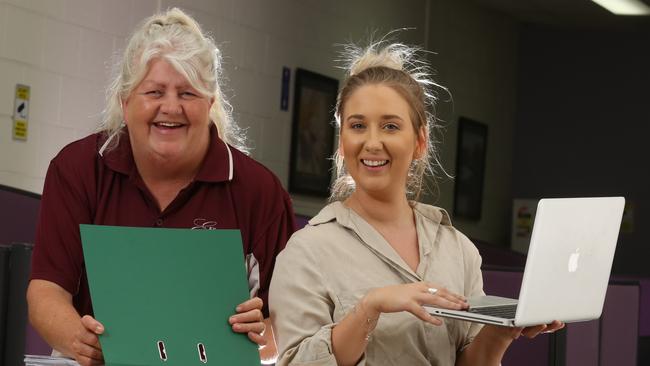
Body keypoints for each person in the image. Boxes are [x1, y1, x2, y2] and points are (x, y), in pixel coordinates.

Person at [27, 8, 295, 365]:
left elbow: (289, 322)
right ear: (125, 102)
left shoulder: (259, 191)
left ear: (210, 103)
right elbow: (46, 290)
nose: (171, 107)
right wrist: (78, 339)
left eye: (187, 94)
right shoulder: (77, 170)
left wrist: (265, 336)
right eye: (154, 92)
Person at [269, 40, 563, 365]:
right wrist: (370, 307)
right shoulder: (307, 252)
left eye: (391, 126)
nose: (372, 142)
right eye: (357, 126)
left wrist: (503, 330)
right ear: (342, 142)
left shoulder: (457, 250)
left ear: (420, 141)